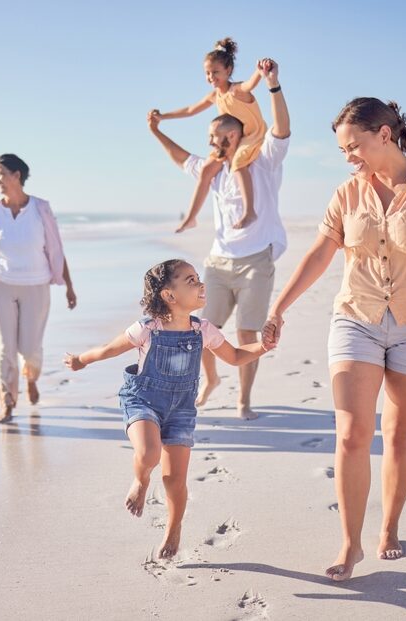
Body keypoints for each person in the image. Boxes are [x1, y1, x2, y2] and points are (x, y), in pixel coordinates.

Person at [262, 97, 406, 581]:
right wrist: (278, 307)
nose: (348, 156)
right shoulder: (347, 193)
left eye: (353, 145)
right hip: (356, 317)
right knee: (353, 434)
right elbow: (320, 253)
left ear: (383, 133)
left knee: (399, 436)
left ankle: (390, 528)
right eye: (342, 150)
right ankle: (350, 543)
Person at [64, 259, 273, 558]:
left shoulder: (203, 330)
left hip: (181, 411)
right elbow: (109, 349)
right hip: (143, 400)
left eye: (199, 278)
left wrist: (264, 346)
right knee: (149, 454)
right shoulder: (147, 328)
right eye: (190, 281)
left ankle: (173, 529)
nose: (201, 284)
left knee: (175, 480)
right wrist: (81, 360)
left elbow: (237, 355)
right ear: (169, 296)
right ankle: (140, 479)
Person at [148, 58, 290, 418]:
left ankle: (244, 401)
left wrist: (273, 85)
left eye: (213, 137)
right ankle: (210, 381)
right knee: (200, 330)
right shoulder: (213, 169)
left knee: (247, 335)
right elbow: (180, 158)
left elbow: (281, 129)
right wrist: (157, 131)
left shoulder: (263, 161)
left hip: (257, 261)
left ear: (232, 135)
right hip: (218, 263)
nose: (209, 143)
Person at [0, 154, 77, 423]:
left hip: (36, 284)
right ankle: (7, 402)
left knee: (30, 348)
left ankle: (31, 378)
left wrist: (69, 287)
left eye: (1, 173)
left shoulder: (41, 209)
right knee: (4, 347)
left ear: (17, 176)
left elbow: (55, 249)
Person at [152, 38, 267, 230]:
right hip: (229, 140)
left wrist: (260, 71)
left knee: (238, 163)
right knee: (206, 170)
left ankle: (249, 212)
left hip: (251, 136)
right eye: (207, 73)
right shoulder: (215, 96)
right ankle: (191, 218)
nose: (211, 77)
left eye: (215, 72)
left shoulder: (236, 90)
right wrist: (162, 117)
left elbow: (250, 85)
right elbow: (190, 110)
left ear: (228, 71)